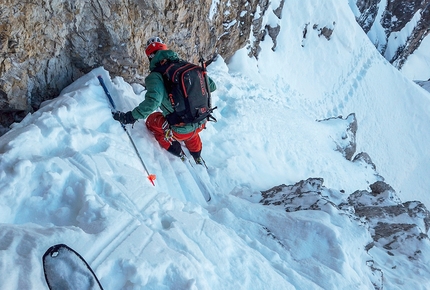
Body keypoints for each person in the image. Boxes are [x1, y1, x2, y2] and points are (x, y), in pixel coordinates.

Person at [113, 36, 216, 164]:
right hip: (201, 120)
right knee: (189, 123)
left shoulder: (156, 76)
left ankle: (176, 149)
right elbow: (211, 86)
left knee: (152, 120)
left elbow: (153, 102)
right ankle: (197, 155)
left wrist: (129, 117)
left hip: (179, 129)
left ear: (150, 57)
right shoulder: (186, 65)